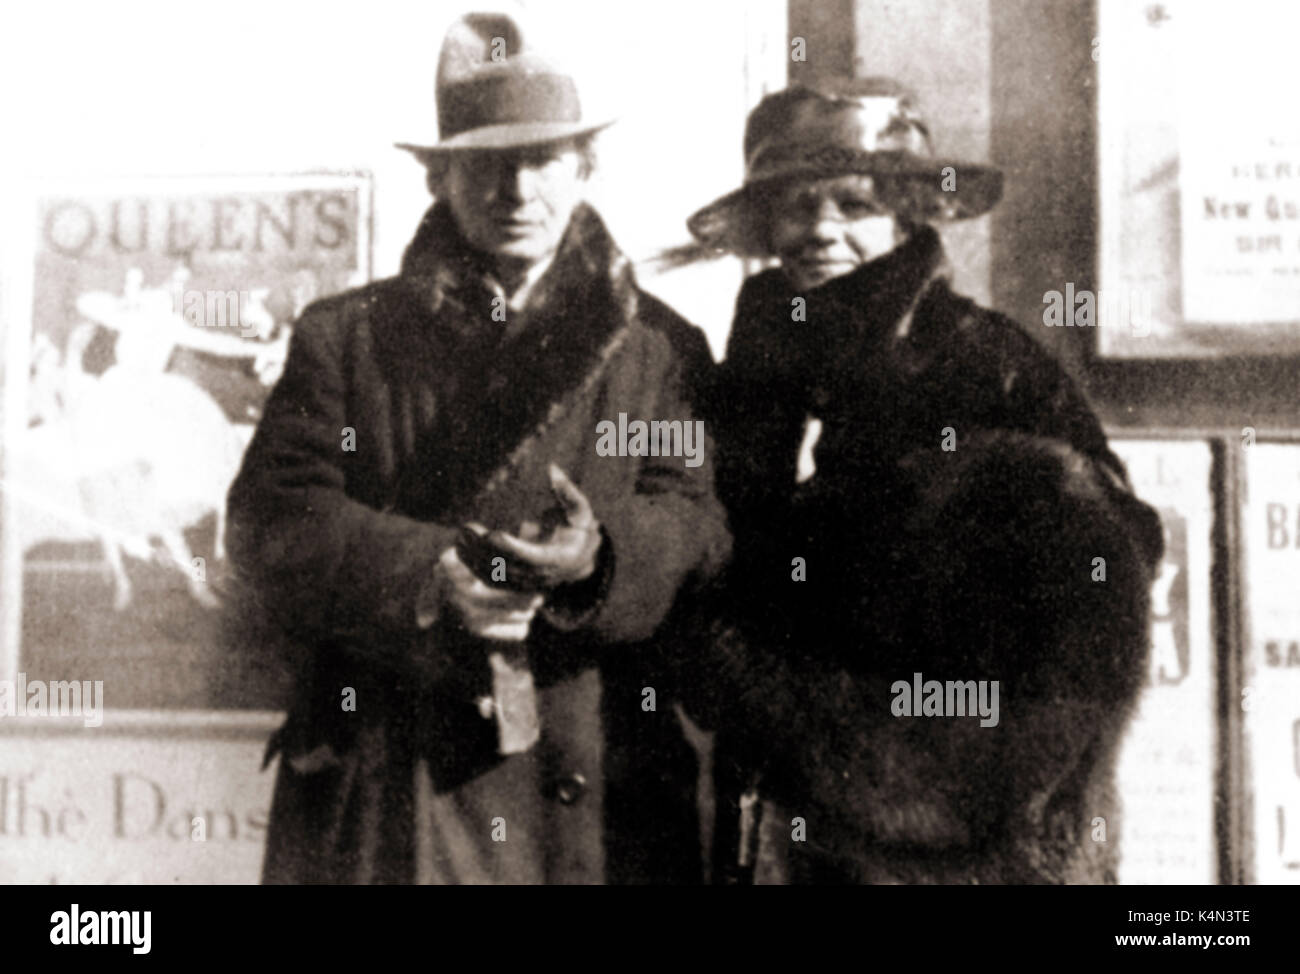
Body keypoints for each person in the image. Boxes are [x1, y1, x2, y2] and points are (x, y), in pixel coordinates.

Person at [225, 12, 730, 884]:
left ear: (585, 166)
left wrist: (597, 561)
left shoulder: (658, 348)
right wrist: (425, 572)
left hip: (591, 778)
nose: (516, 189)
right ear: (437, 177)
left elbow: (696, 524)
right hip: (396, 766)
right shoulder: (347, 336)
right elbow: (272, 519)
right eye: (484, 163)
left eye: (542, 159)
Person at [682, 78, 1165, 884]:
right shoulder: (753, 381)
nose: (820, 231)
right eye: (798, 206)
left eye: (854, 205)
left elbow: (1099, 603)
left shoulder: (982, 363)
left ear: (906, 216)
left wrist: (908, 784)